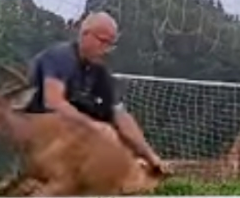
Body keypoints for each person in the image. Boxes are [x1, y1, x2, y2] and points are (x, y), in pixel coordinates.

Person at [22, 11, 169, 175]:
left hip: (68, 137)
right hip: (35, 129)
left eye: (111, 44)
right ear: (85, 34)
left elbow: (119, 114)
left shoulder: (100, 71)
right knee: (97, 133)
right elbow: (54, 102)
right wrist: (94, 127)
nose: (106, 49)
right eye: (103, 41)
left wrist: (150, 154)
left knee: (111, 133)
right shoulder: (60, 57)